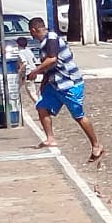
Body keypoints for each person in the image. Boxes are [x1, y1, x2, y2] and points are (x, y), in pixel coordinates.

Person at [25, 17, 104, 161]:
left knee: (78, 116)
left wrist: (35, 71)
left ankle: (96, 145)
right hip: (55, 84)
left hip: (70, 83)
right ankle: (50, 138)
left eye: (31, 32)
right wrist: (43, 83)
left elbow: (52, 59)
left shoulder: (51, 38)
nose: (31, 36)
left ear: (33, 30)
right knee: (41, 106)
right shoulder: (43, 43)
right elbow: (49, 67)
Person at [15, 36, 40, 103]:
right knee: (19, 87)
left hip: (28, 73)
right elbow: (35, 60)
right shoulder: (28, 51)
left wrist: (19, 70)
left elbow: (25, 63)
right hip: (33, 71)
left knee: (32, 92)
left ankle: (40, 105)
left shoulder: (21, 52)